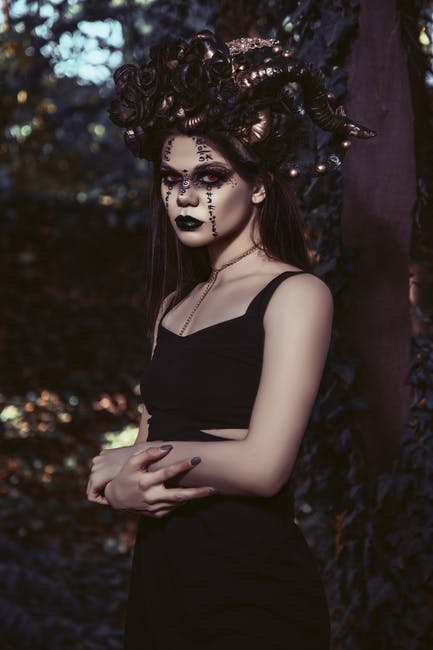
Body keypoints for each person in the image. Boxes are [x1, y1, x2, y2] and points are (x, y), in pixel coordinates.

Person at [86, 30, 375, 650]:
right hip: (161, 588)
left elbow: (264, 466)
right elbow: (144, 450)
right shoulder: (173, 306)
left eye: (210, 176)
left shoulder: (296, 294)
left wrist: (132, 460)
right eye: (171, 178)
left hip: (251, 593)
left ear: (260, 184)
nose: (185, 196)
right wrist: (124, 489)